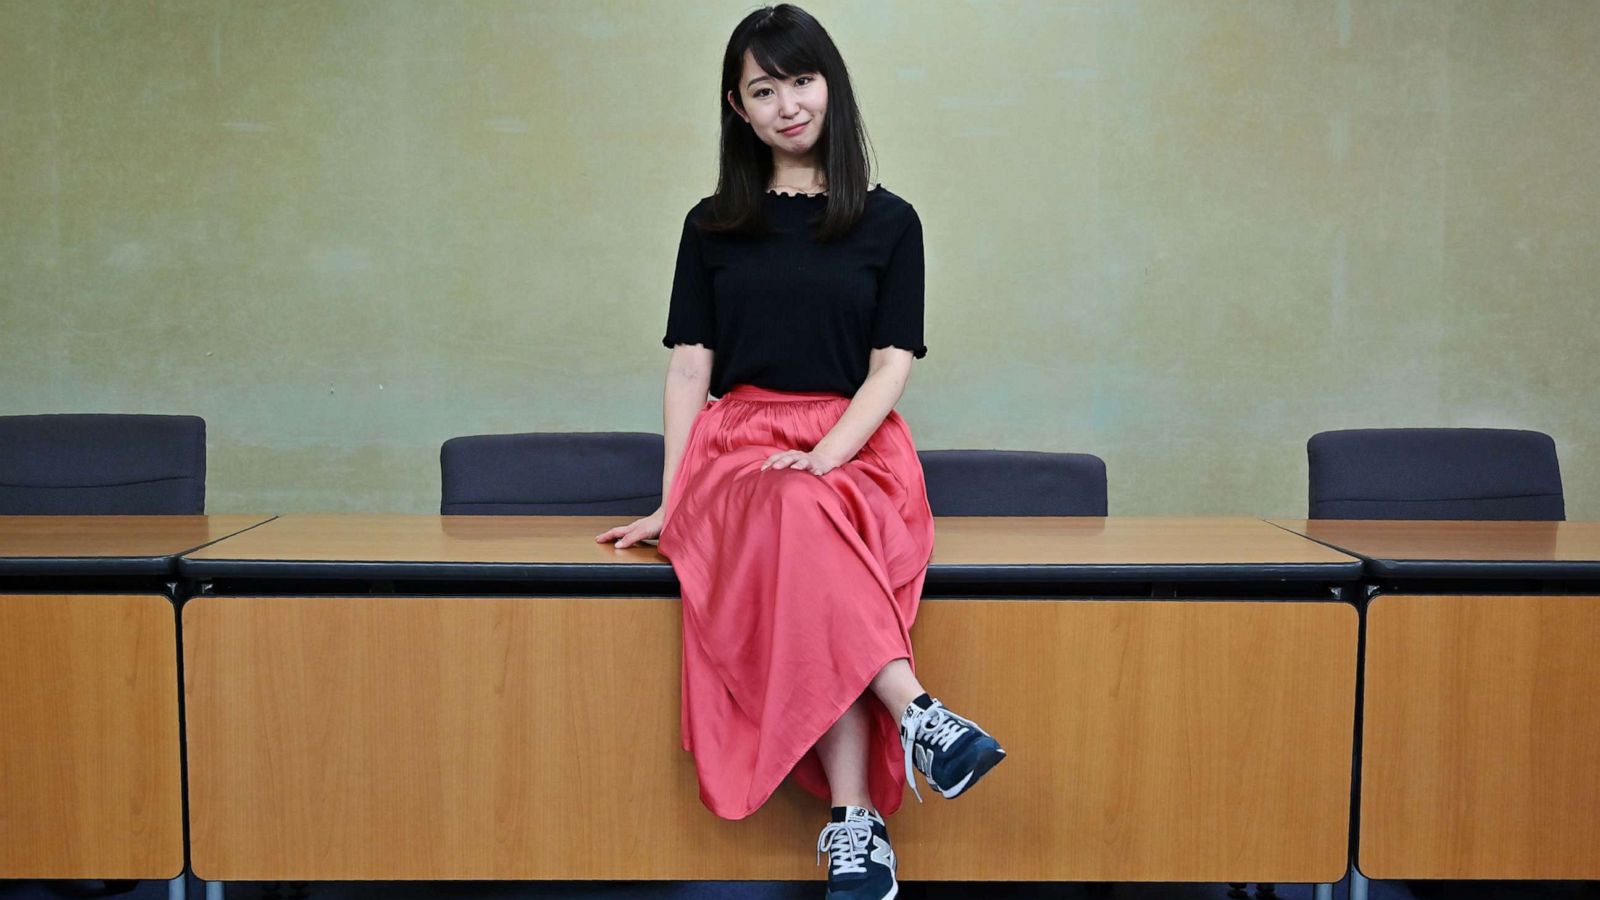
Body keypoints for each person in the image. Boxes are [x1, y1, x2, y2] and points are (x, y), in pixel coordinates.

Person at [596, 6, 1006, 898]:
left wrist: (826, 455)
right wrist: (672, 503)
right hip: (738, 449)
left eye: (802, 80)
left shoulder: (892, 222)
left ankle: (855, 820)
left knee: (810, 519)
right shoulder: (711, 225)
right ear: (738, 110)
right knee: (792, 510)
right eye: (763, 90)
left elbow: (892, 365)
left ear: (833, 85)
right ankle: (919, 718)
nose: (788, 104)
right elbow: (687, 372)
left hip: (858, 447)